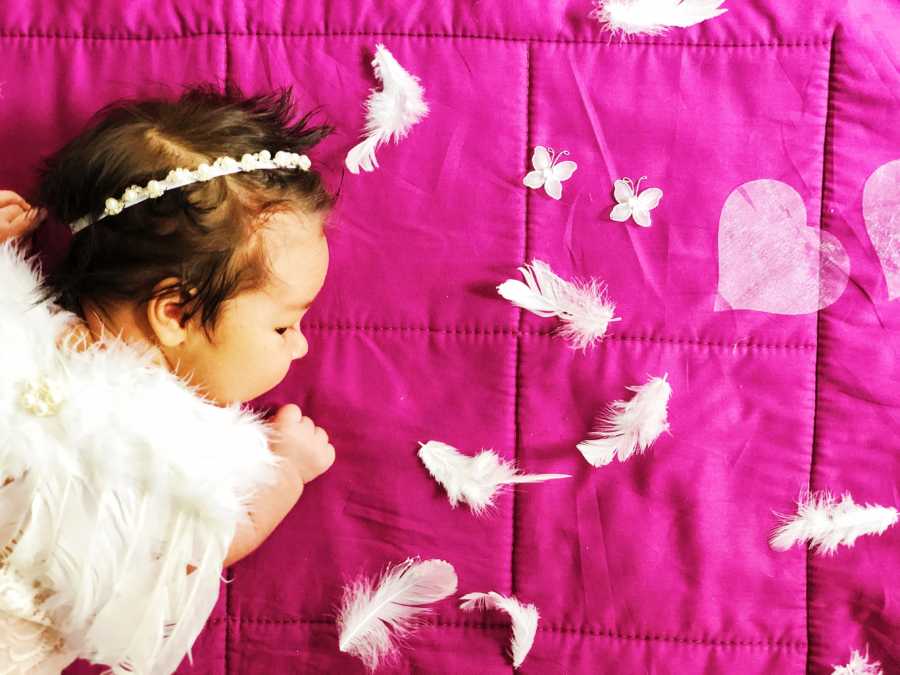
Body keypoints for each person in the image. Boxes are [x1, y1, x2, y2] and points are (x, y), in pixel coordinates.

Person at [0, 83, 336, 674]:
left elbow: (190, 548)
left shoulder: (176, 449)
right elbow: (214, 541)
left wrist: (283, 473)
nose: (302, 345)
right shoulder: (25, 326)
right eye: (284, 327)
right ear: (176, 313)